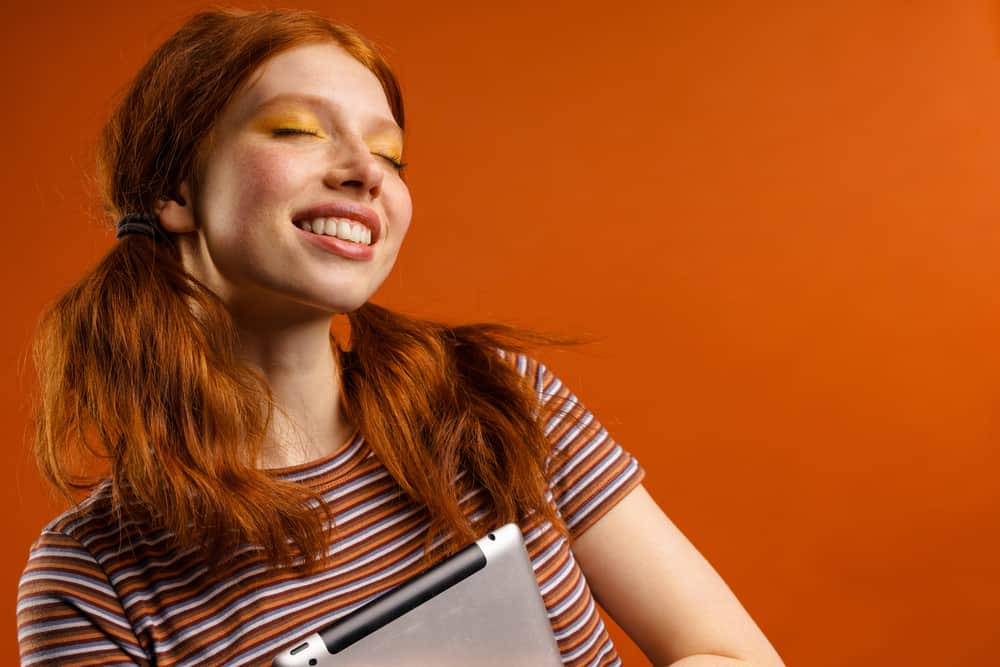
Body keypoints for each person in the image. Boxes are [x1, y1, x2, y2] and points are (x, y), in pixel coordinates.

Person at [16, 9, 784, 667]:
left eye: (389, 153)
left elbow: (737, 653)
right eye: (297, 129)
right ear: (174, 190)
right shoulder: (93, 581)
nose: (365, 172)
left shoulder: (498, 401)